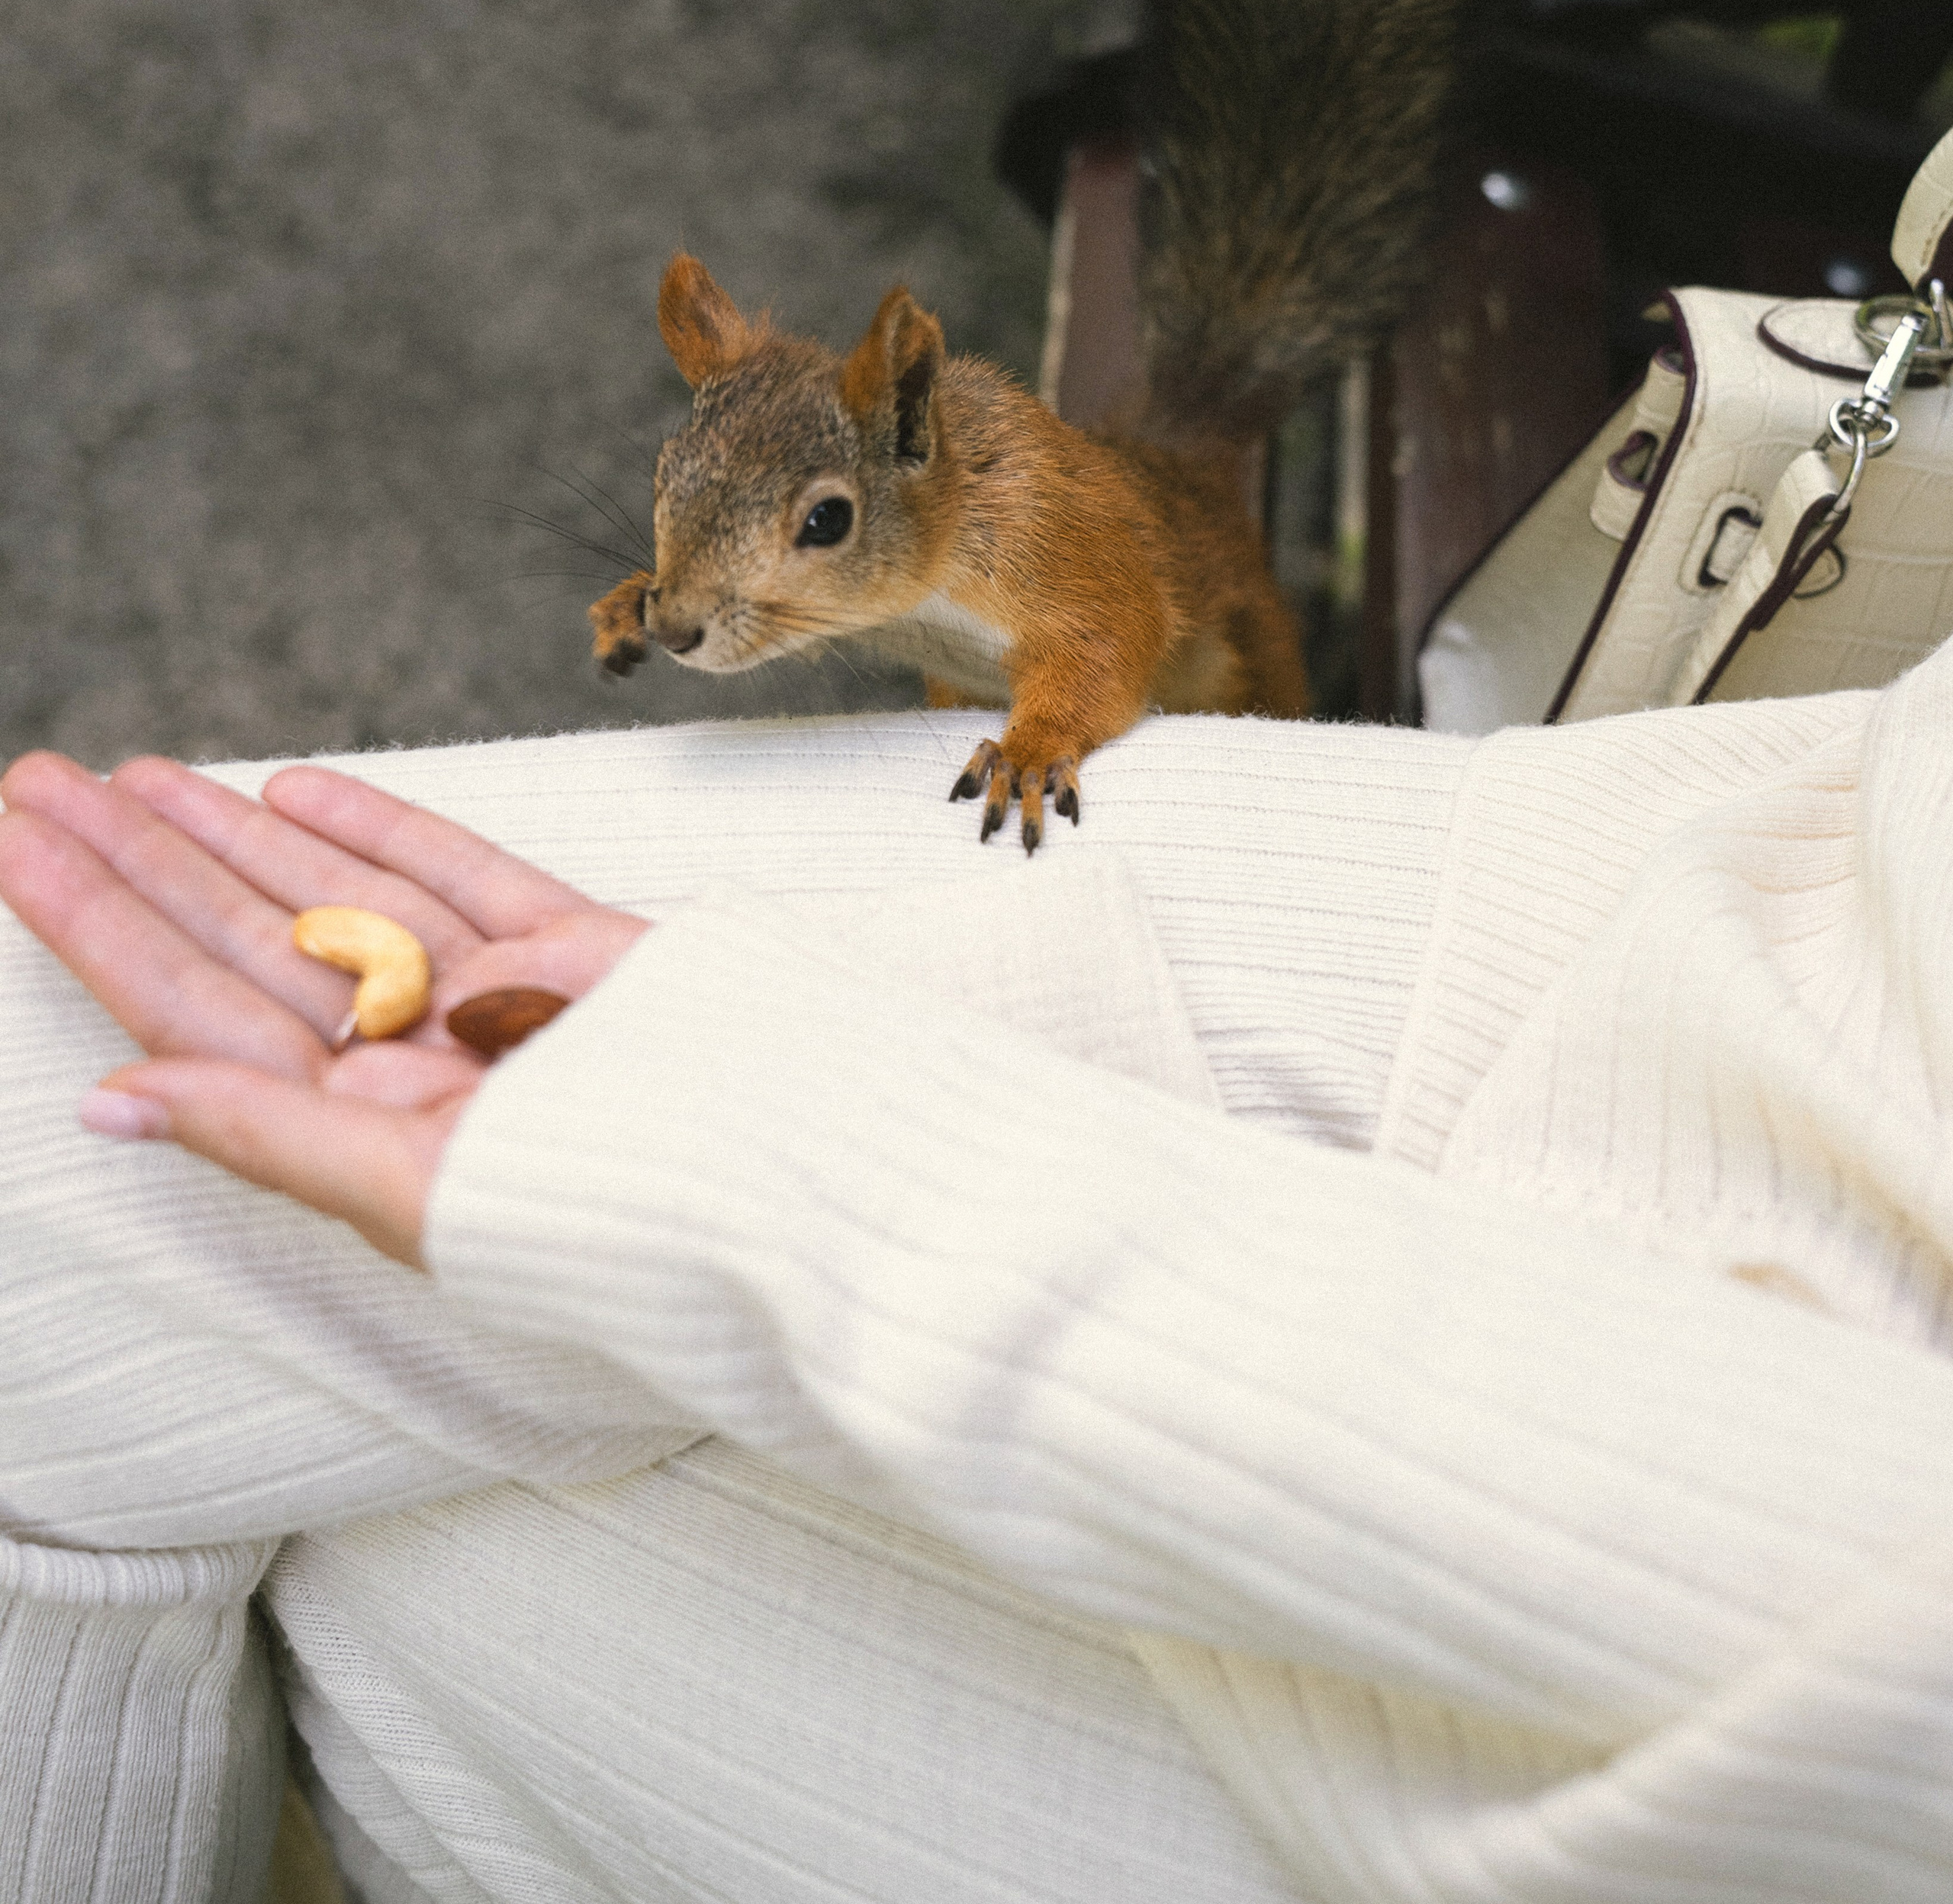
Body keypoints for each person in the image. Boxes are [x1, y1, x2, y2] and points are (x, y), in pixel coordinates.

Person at [2, 647, 1951, 1904]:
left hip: (1708, 1704)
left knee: (203, 1413)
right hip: (1741, 916)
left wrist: (819, 1181)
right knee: (88, 1109)